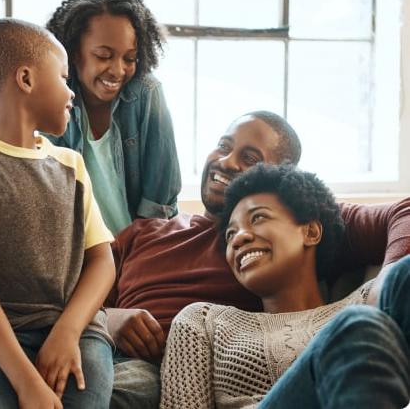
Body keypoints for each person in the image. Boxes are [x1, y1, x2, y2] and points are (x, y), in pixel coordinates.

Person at [0, 111, 409, 409]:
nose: (227, 163)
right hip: (69, 334)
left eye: (251, 158)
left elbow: (402, 218)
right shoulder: (146, 232)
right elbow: (67, 287)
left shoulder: (284, 229)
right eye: (223, 146)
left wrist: (377, 292)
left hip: (142, 371)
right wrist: (110, 316)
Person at [0, 18, 116, 408]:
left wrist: (67, 333)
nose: (72, 93)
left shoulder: (72, 166)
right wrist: (27, 382)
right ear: (27, 79)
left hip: (79, 331)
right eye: (64, 78)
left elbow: (103, 263)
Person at [160, 164, 410, 408]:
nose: (239, 238)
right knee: (355, 327)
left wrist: (383, 282)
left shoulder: (367, 302)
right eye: (230, 234)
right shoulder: (204, 321)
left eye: (258, 217)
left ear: (311, 232)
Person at [44, 0, 181, 234]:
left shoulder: (147, 94)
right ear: (74, 53)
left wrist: (134, 262)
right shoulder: (54, 98)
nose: (118, 70)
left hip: (141, 252)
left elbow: (160, 205)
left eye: (129, 58)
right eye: (104, 56)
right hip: (77, 257)